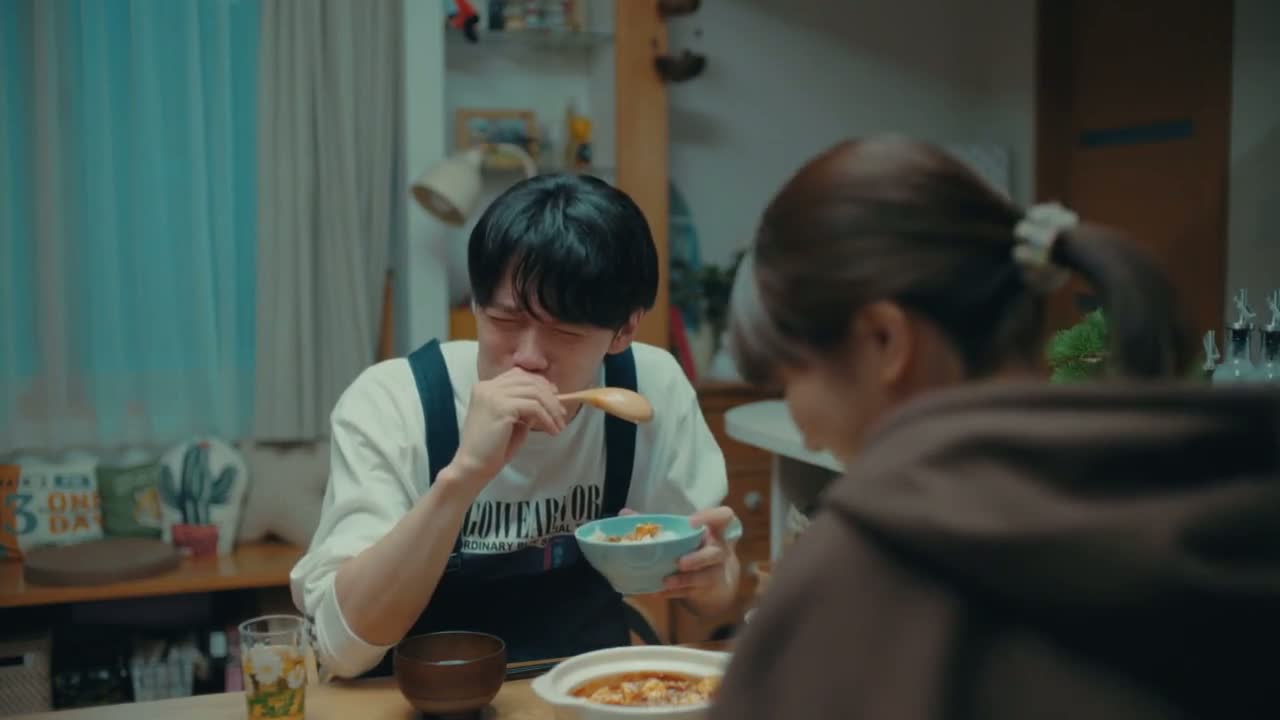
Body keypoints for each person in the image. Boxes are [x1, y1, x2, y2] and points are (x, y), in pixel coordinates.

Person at [711, 137, 1280, 718]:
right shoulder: (1234, 516)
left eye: (789, 381)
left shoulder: (855, 572)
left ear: (885, 341)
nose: (804, 430)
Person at [291, 173, 739, 679]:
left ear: (625, 329)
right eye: (504, 322)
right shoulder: (395, 402)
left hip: (585, 692)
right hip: (412, 698)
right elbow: (343, 650)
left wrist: (712, 579)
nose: (527, 358)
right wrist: (463, 476)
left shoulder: (649, 387)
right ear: (475, 305)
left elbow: (714, 595)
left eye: (564, 332)